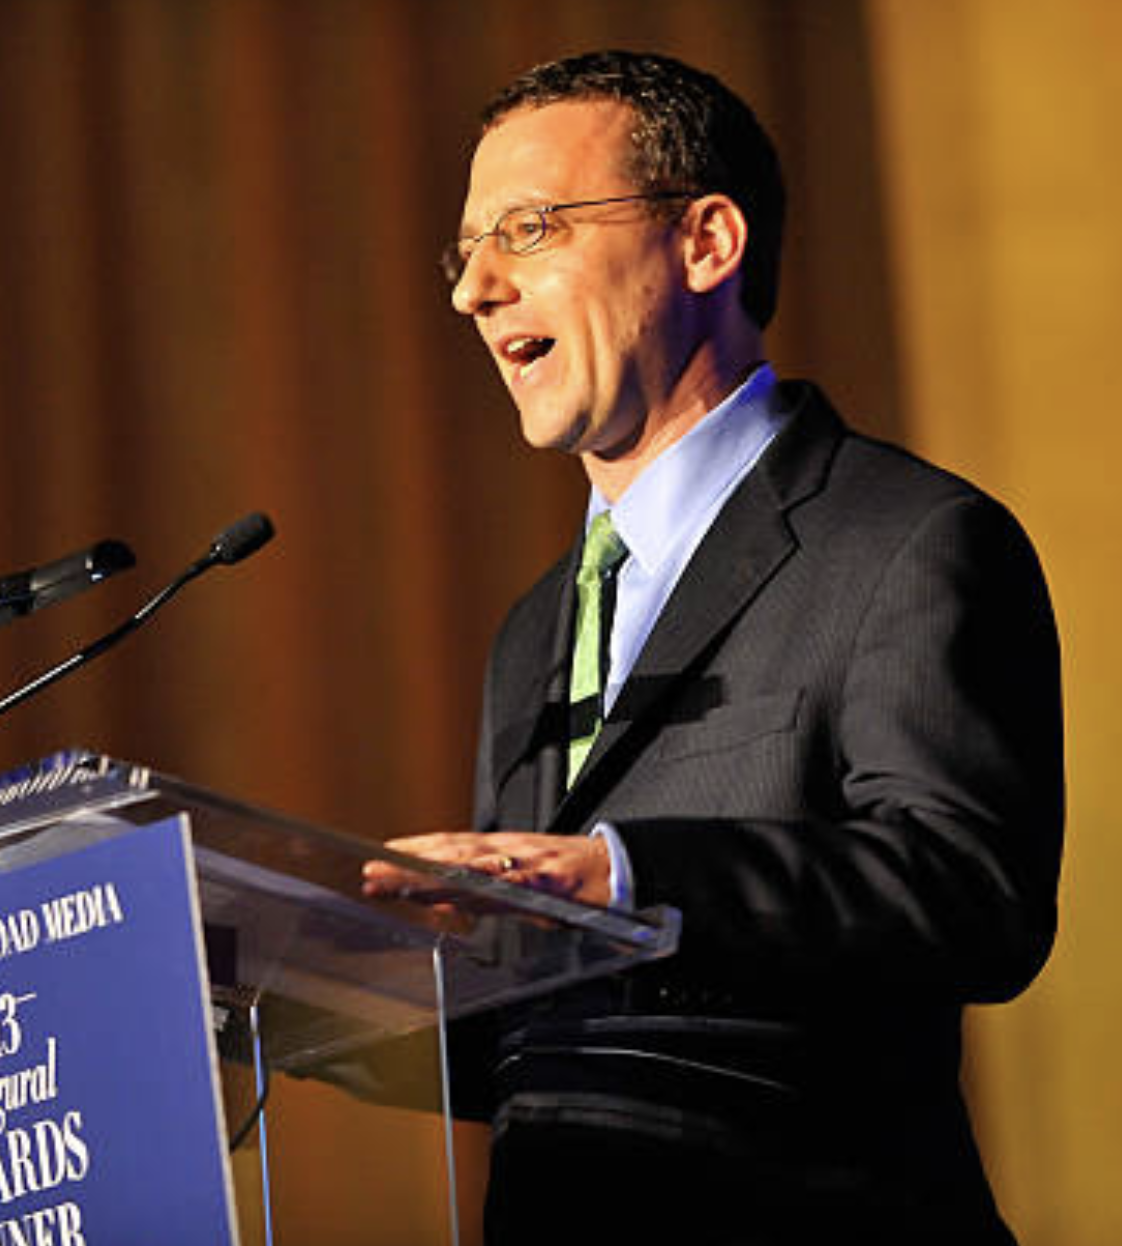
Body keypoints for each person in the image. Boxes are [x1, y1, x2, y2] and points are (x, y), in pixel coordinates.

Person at [361, 50, 1062, 1245]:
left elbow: (970, 894)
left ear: (707, 242)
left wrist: (629, 875)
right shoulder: (534, 626)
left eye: (526, 228)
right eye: (463, 250)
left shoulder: (907, 541)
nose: (472, 289)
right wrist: (331, 986)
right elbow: (532, 1026)